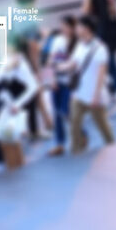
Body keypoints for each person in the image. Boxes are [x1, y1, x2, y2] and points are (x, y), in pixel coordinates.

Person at [64, 17, 115, 154]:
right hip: (79, 93)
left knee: (103, 126)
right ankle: (76, 150)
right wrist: (59, 67)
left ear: (87, 29)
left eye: (79, 26)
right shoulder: (80, 45)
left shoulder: (100, 48)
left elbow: (101, 74)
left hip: (94, 96)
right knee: (74, 124)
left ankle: (114, 148)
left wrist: (96, 95)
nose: (76, 29)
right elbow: (73, 63)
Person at [13, 0, 52, 141]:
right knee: (32, 94)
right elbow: (32, 46)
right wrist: (36, 68)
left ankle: (24, 128)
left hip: (12, 61)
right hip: (26, 62)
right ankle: (36, 129)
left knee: (20, 95)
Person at [0, 43, 40, 169]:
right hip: (2, 105)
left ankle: (17, 167)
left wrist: (18, 104)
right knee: (5, 139)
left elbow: (33, 86)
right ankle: (14, 167)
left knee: (10, 138)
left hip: (11, 107)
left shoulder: (21, 65)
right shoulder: (5, 61)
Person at [46, 16, 78, 156]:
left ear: (72, 28)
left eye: (65, 26)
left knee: (66, 111)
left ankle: (81, 133)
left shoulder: (78, 43)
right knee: (57, 113)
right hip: (57, 81)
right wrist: (51, 79)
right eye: (61, 26)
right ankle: (59, 143)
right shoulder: (58, 40)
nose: (63, 29)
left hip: (70, 82)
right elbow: (50, 60)